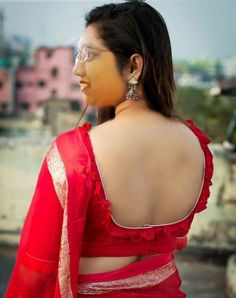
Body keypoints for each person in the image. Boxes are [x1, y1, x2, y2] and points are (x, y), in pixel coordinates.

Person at [5, 1, 214, 297]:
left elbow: (36, 268)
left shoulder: (75, 155)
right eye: (77, 55)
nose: (77, 69)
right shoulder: (196, 147)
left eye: (89, 55)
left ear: (133, 66)